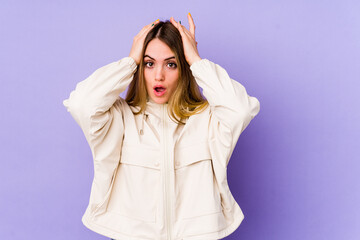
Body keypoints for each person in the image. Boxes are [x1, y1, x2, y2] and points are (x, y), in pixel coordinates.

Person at [63, 13, 260, 240]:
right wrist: (130, 62)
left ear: (183, 68)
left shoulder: (208, 119)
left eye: (171, 64)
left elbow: (241, 109)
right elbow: (82, 104)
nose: (159, 75)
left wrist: (196, 60)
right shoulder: (119, 118)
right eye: (149, 64)